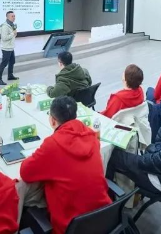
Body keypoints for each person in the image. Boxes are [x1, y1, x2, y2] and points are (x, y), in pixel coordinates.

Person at [20, 97, 110, 234]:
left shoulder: (53, 144)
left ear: (52, 120)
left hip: (70, 226)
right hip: (104, 216)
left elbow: (25, 172)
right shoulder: (91, 136)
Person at [0, 11, 18, 85]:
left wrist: (14, 33)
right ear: (7, 17)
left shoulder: (12, 25)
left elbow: (13, 35)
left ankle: (10, 75)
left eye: (14, 16)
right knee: (4, 64)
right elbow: (4, 38)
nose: (14, 17)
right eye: (12, 16)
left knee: (12, 62)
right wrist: (13, 33)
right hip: (6, 48)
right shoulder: (5, 26)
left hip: (11, 47)